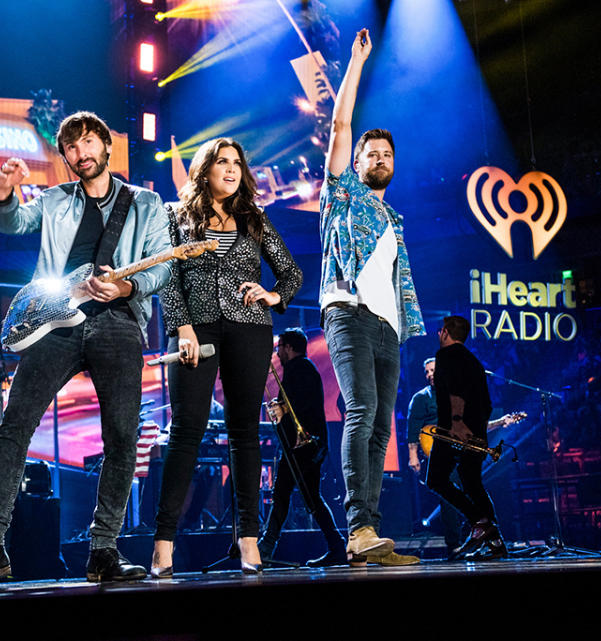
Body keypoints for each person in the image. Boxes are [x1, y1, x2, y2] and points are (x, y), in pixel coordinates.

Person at [0, 111, 172, 589]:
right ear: (65, 156)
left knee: (122, 438)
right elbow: (12, 222)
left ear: (107, 147)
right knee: (14, 427)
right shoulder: (54, 199)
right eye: (71, 147)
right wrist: (4, 191)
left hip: (117, 321)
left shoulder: (147, 203)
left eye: (89, 142)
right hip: (55, 322)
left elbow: (162, 268)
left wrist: (127, 291)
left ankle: (104, 550)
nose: (81, 152)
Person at [150, 137, 302, 577]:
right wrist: (183, 330)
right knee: (185, 433)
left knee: (244, 433)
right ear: (206, 169)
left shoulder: (255, 219)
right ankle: (163, 544)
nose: (232, 169)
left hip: (249, 329)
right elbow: (168, 278)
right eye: (223, 162)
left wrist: (272, 295)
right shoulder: (176, 217)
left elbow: (291, 272)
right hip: (195, 332)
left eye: (237, 162)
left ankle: (249, 541)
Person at [320, 28, 425, 566]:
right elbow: (340, 124)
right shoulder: (342, 194)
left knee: (383, 426)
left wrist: (402, 325)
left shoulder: (395, 220)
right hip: (349, 312)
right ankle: (357, 527)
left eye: (386, 154)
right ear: (356, 163)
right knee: (360, 410)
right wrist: (356, 62)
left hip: (390, 325)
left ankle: (372, 536)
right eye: (370, 152)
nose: (379, 158)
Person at [257, 328, 346, 567]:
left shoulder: (302, 368)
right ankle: (337, 546)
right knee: (310, 497)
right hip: (307, 444)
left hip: (305, 444)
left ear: (288, 347)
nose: (277, 352)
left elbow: (304, 404)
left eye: (279, 347)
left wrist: (284, 408)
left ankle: (266, 546)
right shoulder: (299, 369)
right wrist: (282, 406)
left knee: (282, 493)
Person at [426, 315, 507, 560]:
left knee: (436, 479)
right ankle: (495, 543)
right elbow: (486, 402)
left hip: (454, 429)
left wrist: (458, 423)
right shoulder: (474, 360)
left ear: (446, 333)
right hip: (475, 430)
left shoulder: (445, 356)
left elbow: (454, 390)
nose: (438, 334)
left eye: (440, 330)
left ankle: (479, 522)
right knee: (472, 482)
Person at [407, 357, 464, 557]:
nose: (430, 374)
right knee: (449, 496)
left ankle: (473, 538)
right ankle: (454, 544)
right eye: (427, 371)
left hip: (459, 450)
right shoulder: (421, 398)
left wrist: (499, 422)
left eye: (433, 370)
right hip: (436, 452)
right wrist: (413, 455)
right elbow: (412, 428)